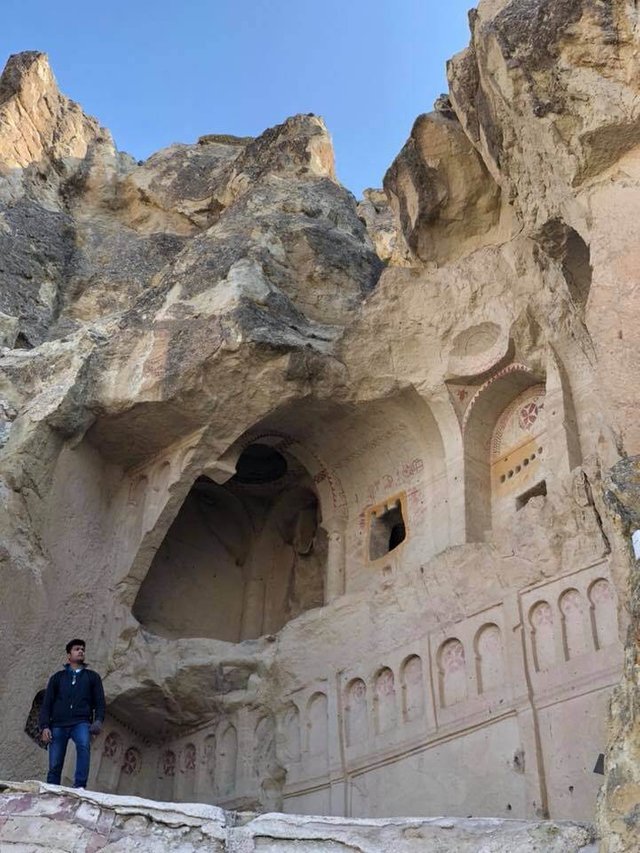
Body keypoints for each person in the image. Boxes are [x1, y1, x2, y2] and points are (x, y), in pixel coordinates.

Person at [39, 639, 105, 789]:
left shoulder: (92, 677)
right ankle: (52, 790)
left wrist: (98, 720)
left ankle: (80, 787)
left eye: (82, 649)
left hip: (81, 722)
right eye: (76, 649)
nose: (81, 651)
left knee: (83, 747)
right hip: (58, 724)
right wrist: (44, 726)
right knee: (55, 762)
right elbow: (47, 704)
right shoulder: (57, 678)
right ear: (69, 655)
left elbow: (100, 702)